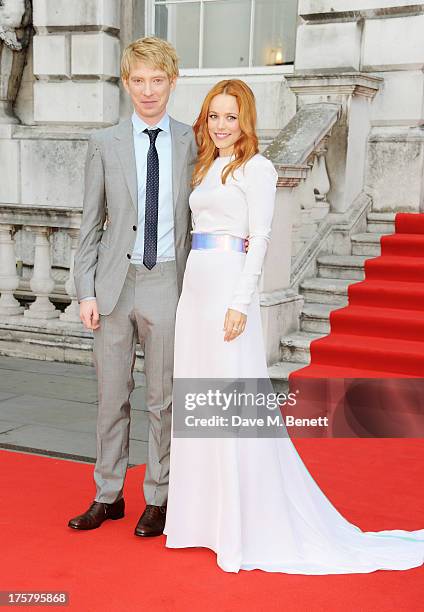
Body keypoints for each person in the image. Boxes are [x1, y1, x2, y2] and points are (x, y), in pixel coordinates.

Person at [164, 79, 424, 573]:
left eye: (230, 117)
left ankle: (240, 524)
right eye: (214, 116)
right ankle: (199, 520)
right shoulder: (206, 166)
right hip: (195, 291)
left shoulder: (257, 168)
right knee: (196, 401)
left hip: (227, 292)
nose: (221, 125)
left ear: (246, 121)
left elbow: (260, 238)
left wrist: (242, 302)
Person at [69, 37, 197, 537]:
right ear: (126, 83)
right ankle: (108, 494)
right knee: (110, 396)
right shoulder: (104, 143)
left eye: (157, 80)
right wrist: (86, 292)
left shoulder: (192, 141)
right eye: (138, 81)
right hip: (113, 285)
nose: (148, 91)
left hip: (166, 280)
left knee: (162, 398)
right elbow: (90, 224)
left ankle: (159, 497)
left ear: (172, 81)